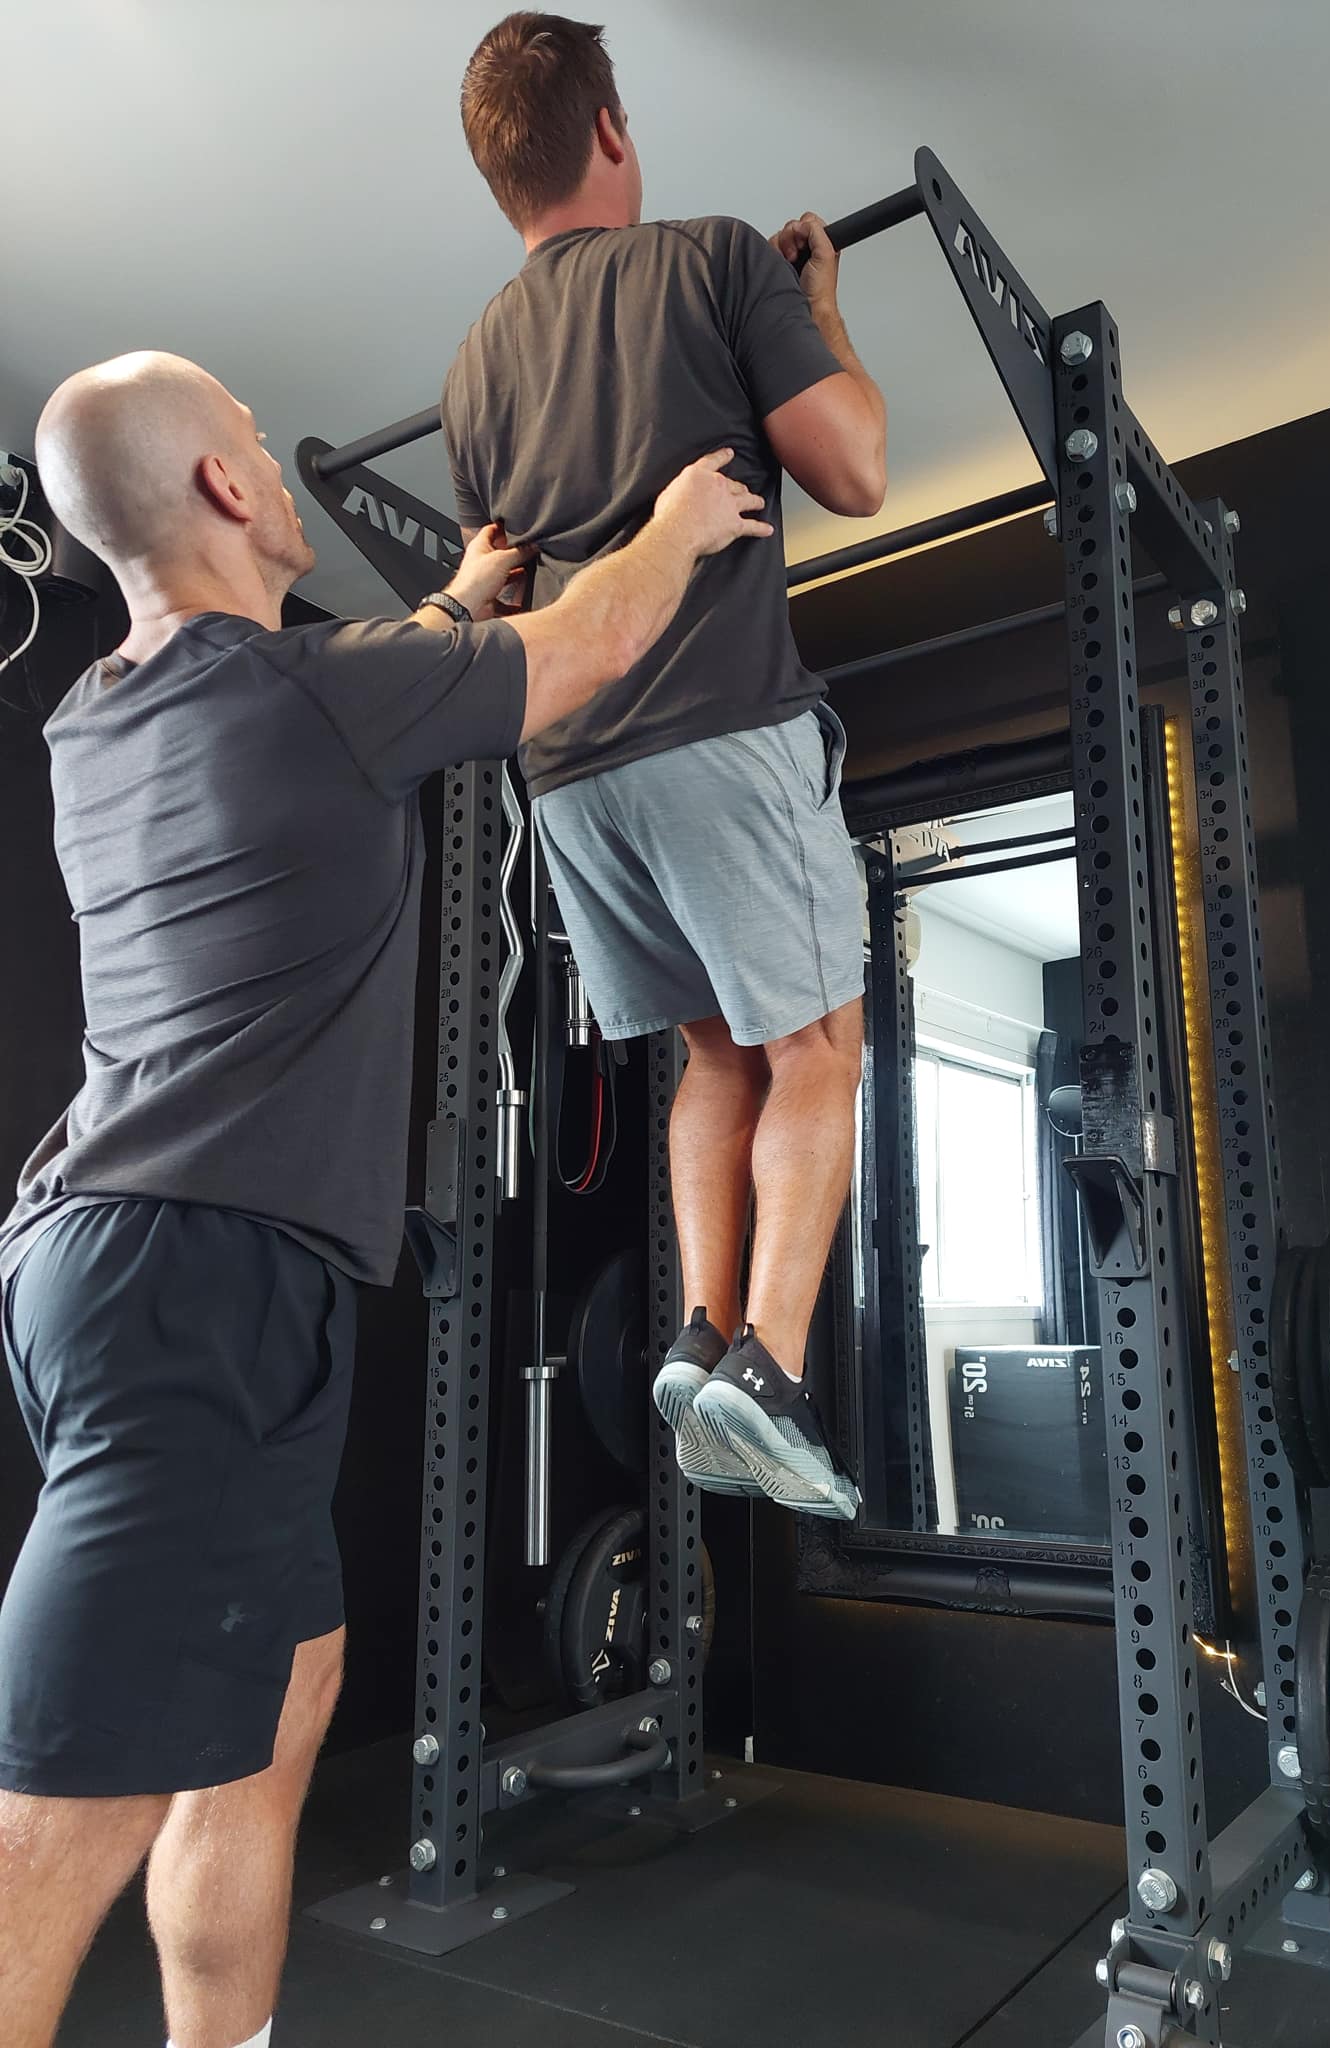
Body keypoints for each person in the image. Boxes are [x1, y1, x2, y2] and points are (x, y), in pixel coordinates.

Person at [0, 348, 769, 2048]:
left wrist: (449, 604)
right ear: (220, 489)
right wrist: (681, 522)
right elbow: (585, 648)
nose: (277, 473)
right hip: (191, 1276)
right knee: (74, 1790)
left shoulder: (104, 720)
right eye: (259, 450)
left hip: (152, 1268)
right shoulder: (313, 694)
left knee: (273, 1719)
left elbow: (352, 691)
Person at [444, 12, 889, 1520]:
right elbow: (855, 470)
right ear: (613, 132)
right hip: (717, 727)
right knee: (819, 1047)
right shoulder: (711, 259)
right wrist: (818, 312)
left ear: (503, 177)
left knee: (716, 1050)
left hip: (568, 778)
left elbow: (494, 573)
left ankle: (702, 1341)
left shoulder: (474, 372)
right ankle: (772, 1361)